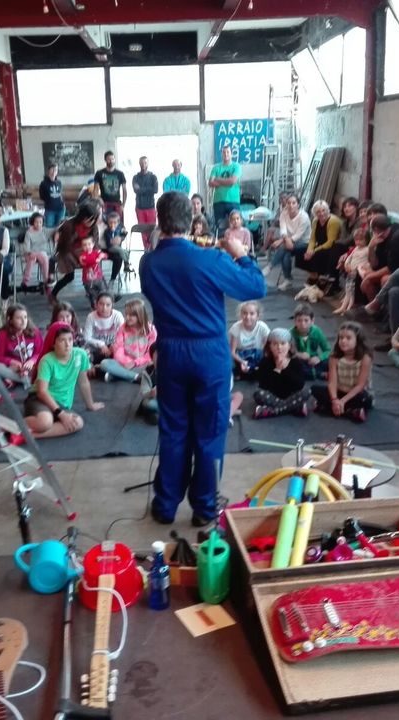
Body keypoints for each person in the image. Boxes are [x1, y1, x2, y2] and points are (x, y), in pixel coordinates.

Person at [140, 191, 266, 526]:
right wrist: (241, 255)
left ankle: (166, 505)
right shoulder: (211, 259)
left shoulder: (148, 263)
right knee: (209, 432)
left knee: (173, 429)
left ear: (159, 220)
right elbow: (255, 287)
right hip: (208, 353)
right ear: (191, 220)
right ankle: (204, 508)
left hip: (171, 352)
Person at [24, 322, 104, 438]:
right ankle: (12, 425)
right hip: (40, 399)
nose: (67, 344)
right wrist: (61, 414)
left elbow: (83, 382)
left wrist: (90, 404)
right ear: (53, 343)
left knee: (77, 422)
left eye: (70, 339)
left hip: (62, 403)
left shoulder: (80, 355)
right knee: (45, 422)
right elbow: (42, 392)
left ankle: (30, 435)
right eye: (62, 340)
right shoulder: (47, 360)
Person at [310, 321, 373, 423]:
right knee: (314, 389)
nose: (343, 341)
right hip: (338, 391)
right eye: (341, 338)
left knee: (365, 399)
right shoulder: (334, 357)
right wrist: (335, 400)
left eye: (348, 338)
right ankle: (350, 411)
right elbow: (332, 382)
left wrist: (342, 401)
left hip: (355, 393)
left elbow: (360, 385)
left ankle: (327, 407)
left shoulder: (365, 358)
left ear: (358, 340)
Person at [252, 328, 313, 419]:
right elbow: (263, 385)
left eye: (283, 343)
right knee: (258, 394)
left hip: (291, 395)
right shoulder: (265, 362)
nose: (279, 347)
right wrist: (277, 370)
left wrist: (285, 369)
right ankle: (293, 407)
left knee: (306, 391)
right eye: (275, 344)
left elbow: (300, 385)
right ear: (269, 346)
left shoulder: (295, 362)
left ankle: (272, 411)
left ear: (289, 346)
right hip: (273, 396)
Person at [51, 201, 102, 301]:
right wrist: (57, 234)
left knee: (93, 271)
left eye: (93, 220)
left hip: (85, 252)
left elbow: (95, 243)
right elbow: (63, 241)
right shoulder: (70, 224)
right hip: (67, 252)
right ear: (82, 217)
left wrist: (96, 254)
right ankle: (53, 294)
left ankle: (94, 295)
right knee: (69, 277)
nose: (91, 222)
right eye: (89, 219)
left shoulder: (93, 227)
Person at [100, 298, 157, 382]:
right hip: (124, 364)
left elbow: (151, 353)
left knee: (154, 365)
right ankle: (136, 377)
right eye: (126, 314)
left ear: (140, 315)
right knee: (105, 363)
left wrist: (135, 363)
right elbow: (118, 349)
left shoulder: (151, 330)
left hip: (142, 364)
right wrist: (126, 362)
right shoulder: (123, 328)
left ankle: (118, 374)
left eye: (131, 315)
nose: (127, 317)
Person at [0, 303, 43, 389]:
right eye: (19, 318)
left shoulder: (35, 332)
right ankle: (24, 380)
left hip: (32, 367)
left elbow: (41, 352)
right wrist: (11, 361)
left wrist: (32, 361)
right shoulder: (2, 334)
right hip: (12, 368)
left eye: (25, 317)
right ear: (10, 320)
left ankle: (17, 380)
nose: (23, 321)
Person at [264, 194, 311, 290]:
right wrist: (285, 239)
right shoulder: (284, 214)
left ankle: (270, 267)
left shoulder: (304, 217)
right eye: (289, 203)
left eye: (294, 203)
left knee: (284, 247)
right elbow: (283, 230)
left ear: (298, 204)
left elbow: (298, 235)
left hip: (304, 243)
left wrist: (281, 241)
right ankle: (287, 280)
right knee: (286, 253)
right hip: (289, 241)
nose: (291, 205)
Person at [295, 200, 343, 286]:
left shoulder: (333, 221)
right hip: (320, 245)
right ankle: (314, 275)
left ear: (327, 210)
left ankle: (322, 278)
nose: (321, 213)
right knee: (300, 253)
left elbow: (330, 242)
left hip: (332, 247)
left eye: (323, 210)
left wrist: (314, 251)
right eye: (318, 212)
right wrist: (309, 250)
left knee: (316, 255)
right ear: (315, 213)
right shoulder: (315, 221)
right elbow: (312, 239)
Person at [333, 228, 371, 315]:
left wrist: (358, 268)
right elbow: (349, 257)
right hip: (350, 273)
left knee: (353, 293)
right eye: (356, 240)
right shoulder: (356, 248)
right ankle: (343, 307)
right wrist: (346, 265)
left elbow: (366, 262)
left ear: (366, 240)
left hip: (356, 274)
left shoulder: (367, 250)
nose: (358, 242)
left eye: (361, 240)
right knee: (348, 290)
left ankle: (349, 308)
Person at [228, 300, 269, 379]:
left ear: (258, 316)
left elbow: (267, 349)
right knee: (227, 360)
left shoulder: (263, 327)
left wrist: (259, 363)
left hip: (257, 354)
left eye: (252, 313)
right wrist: (242, 362)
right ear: (240, 315)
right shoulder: (236, 328)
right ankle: (244, 371)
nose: (247, 317)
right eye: (244, 313)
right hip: (241, 355)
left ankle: (252, 370)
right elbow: (232, 352)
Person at [290, 304, 330, 380]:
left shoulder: (317, 331)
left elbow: (328, 350)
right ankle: (321, 374)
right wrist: (298, 354)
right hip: (300, 361)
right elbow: (287, 353)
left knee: (332, 360)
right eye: (299, 320)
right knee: (292, 365)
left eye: (306, 320)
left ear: (312, 321)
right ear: (295, 321)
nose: (303, 324)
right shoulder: (291, 333)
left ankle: (314, 373)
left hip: (315, 360)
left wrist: (319, 358)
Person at [84, 291, 125, 365]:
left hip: (114, 346)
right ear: (96, 304)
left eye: (108, 305)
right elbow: (87, 337)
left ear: (112, 305)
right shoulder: (91, 317)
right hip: (97, 348)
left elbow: (123, 335)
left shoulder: (117, 315)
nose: (104, 308)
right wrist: (101, 345)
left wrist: (113, 347)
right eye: (101, 304)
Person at [207, 146, 241, 231]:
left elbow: (232, 181)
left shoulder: (236, 166)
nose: (226, 154)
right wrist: (227, 182)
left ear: (231, 154)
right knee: (219, 227)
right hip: (218, 201)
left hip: (233, 201)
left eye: (228, 152)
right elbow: (210, 183)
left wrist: (218, 179)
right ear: (221, 154)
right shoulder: (216, 168)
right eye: (224, 152)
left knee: (235, 226)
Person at [20, 212, 51, 294]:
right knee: (32, 259)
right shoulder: (29, 232)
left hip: (42, 252)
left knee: (44, 257)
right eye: (36, 222)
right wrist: (30, 252)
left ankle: (46, 281)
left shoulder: (44, 230)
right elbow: (26, 247)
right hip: (30, 253)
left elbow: (54, 231)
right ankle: (25, 282)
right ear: (32, 222)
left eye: (40, 222)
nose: (38, 224)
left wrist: (57, 233)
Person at [131, 156, 158, 247]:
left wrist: (141, 189)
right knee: (143, 231)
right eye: (141, 163)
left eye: (145, 162)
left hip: (151, 207)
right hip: (140, 207)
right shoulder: (135, 177)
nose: (143, 165)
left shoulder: (153, 177)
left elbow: (155, 190)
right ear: (139, 164)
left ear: (148, 163)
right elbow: (136, 190)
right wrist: (149, 189)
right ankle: (146, 249)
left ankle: (152, 248)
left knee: (152, 229)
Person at [78, 236, 108, 310]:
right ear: (82, 247)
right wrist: (98, 258)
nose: (87, 246)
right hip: (88, 280)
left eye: (89, 244)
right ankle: (94, 307)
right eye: (84, 245)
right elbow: (88, 261)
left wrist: (102, 255)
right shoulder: (82, 256)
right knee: (92, 295)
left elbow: (105, 255)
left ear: (93, 244)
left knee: (103, 291)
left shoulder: (96, 252)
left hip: (99, 278)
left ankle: (105, 304)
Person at [94, 150, 127, 218]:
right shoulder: (99, 173)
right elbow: (95, 190)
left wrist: (123, 205)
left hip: (117, 204)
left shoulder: (120, 174)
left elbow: (124, 190)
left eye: (112, 159)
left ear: (114, 159)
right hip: (104, 204)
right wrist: (98, 200)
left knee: (118, 224)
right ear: (105, 160)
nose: (111, 161)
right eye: (109, 159)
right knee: (104, 223)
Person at [101, 211, 129, 285]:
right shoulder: (107, 231)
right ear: (108, 222)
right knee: (121, 250)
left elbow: (124, 233)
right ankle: (126, 264)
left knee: (125, 251)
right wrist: (112, 232)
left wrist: (122, 234)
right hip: (110, 247)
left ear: (118, 223)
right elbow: (110, 241)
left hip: (116, 247)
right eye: (110, 222)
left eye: (115, 223)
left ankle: (126, 265)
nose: (112, 224)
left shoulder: (119, 228)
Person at [39, 164, 65, 229]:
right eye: (52, 170)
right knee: (49, 229)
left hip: (60, 209)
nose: (53, 172)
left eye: (55, 170)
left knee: (59, 228)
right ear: (48, 171)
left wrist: (63, 204)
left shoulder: (59, 182)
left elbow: (60, 195)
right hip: (50, 210)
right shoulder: (43, 183)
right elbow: (42, 197)